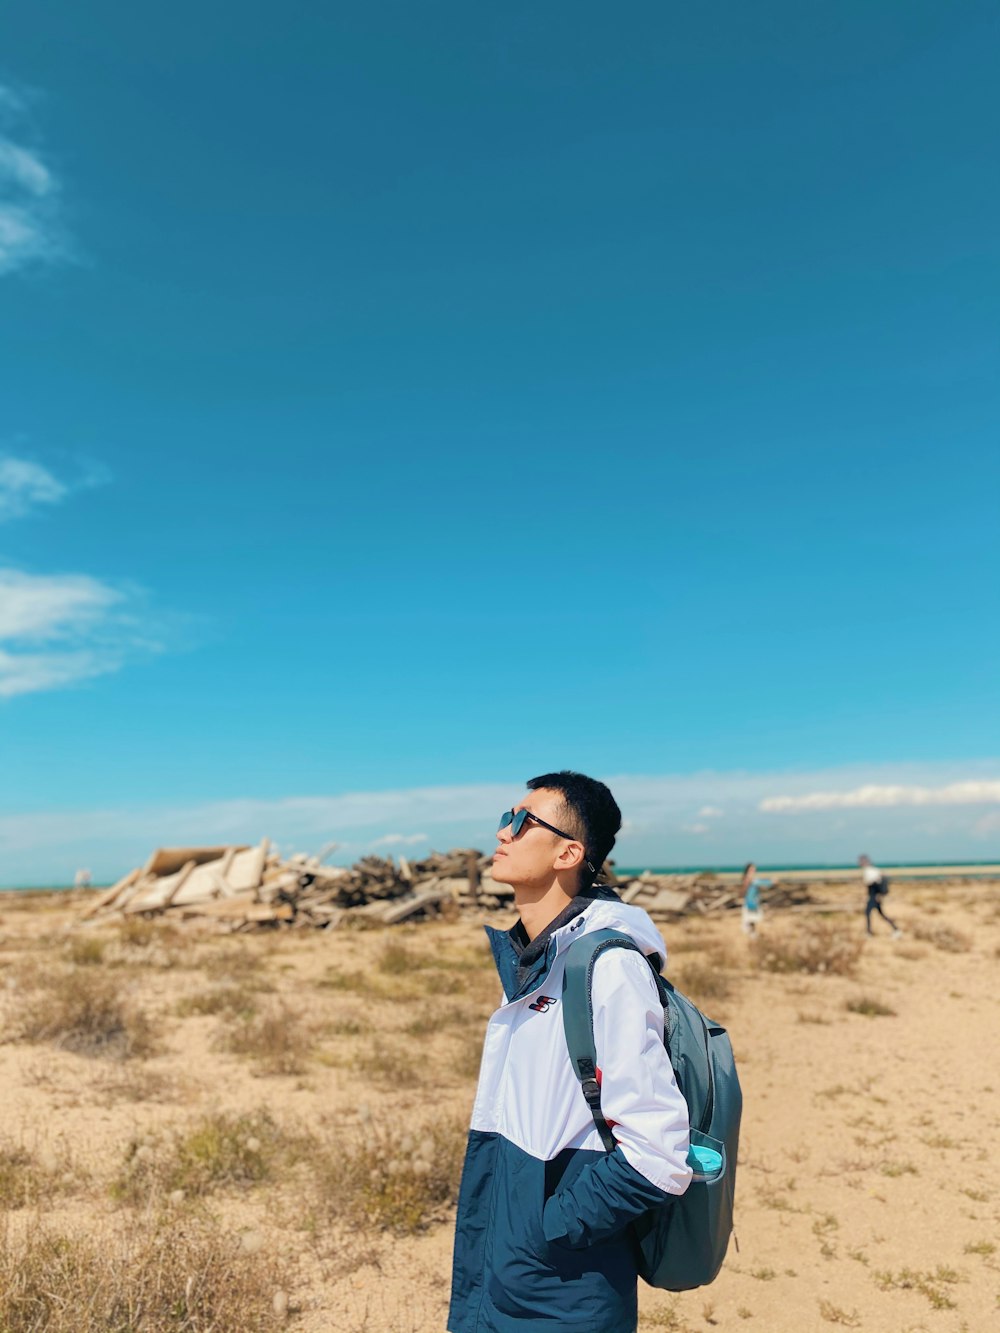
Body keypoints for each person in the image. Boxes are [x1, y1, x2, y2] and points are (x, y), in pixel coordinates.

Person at [448, 771, 692, 1333]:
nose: (502, 832)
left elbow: (659, 1154)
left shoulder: (607, 967)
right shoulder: (535, 960)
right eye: (505, 818)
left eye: (521, 821)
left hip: (562, 1289)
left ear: (569, 852)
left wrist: (550, 1229)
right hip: (505, 1273)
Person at [859, 854, 902, 938]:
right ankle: (895, 929)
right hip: (875, 897)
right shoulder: (874, 870)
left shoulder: (870, 871)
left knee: (869, 913)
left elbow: (871, 884)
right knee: (879, 914)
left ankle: (869, 933)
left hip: (874, 897)